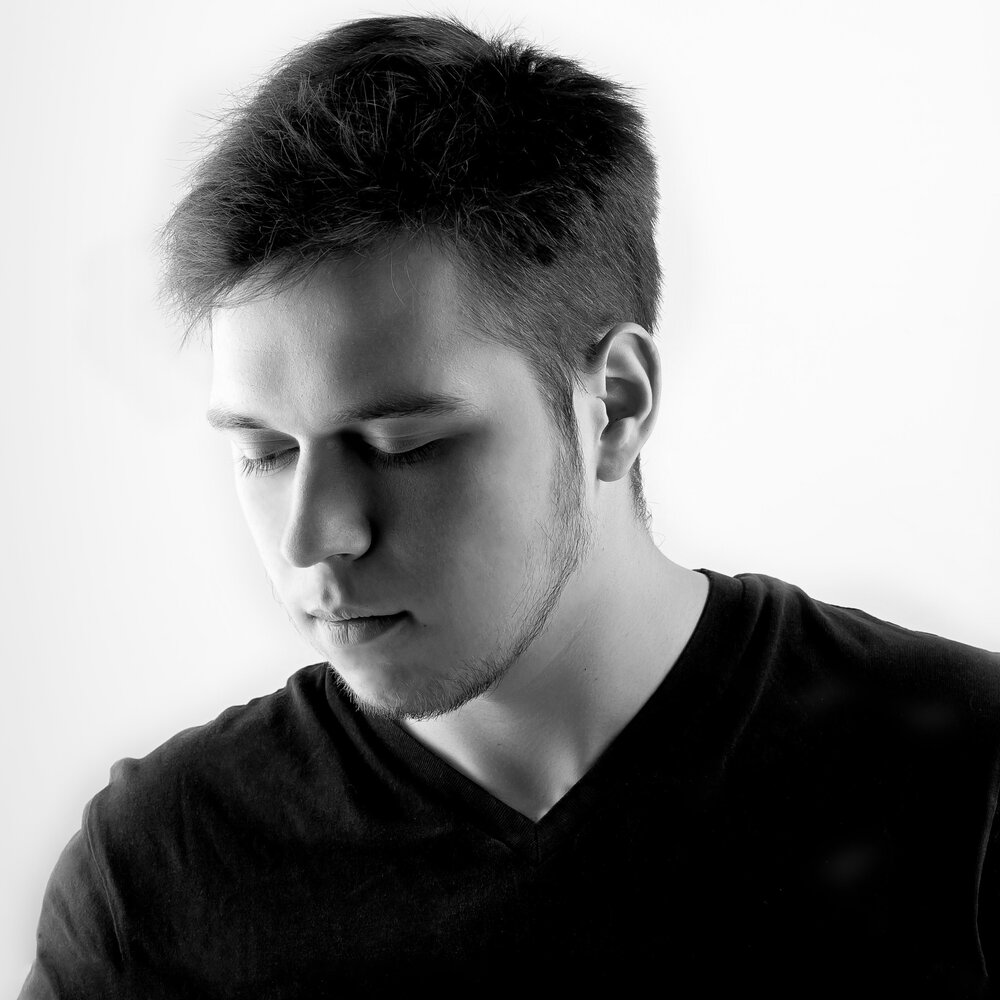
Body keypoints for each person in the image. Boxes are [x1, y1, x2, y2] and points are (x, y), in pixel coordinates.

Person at [20, 14, 1000, 998]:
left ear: (615, 405)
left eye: (402, 446)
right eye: (264, 452)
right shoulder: (158, 877)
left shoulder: (968, 779)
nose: (313, 535)